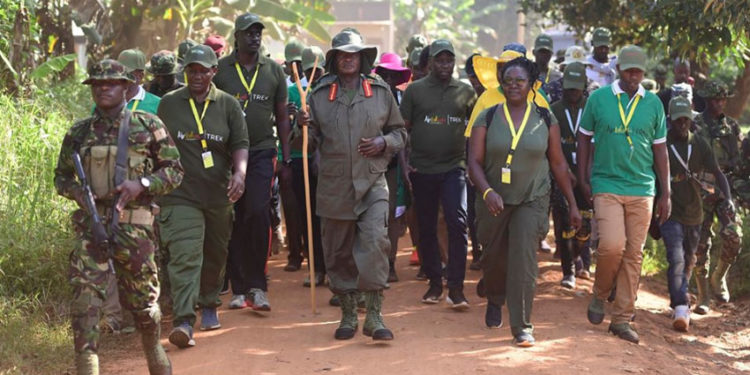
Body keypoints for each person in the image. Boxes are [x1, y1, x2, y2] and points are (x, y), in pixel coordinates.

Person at [54, 59, 183, 374]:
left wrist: (142, 184)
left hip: (135, 229)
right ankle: (87, 366)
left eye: (110, 83)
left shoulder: (148, 125)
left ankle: (153, 351)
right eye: (97, 84)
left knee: (144, 308)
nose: (103, 89)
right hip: (91, 229)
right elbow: (61, 177)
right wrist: (78, 193)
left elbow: (175, 171)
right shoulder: (79, 132)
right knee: (85, 303)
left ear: (126, 86)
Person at [299, 29, 407, 341]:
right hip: (333, 185)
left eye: (354, 54)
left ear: (362, 59)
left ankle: (374, 315)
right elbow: (306, 142)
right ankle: (348, 314)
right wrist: (301, 125)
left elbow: (400, 133)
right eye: (343, 54)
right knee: (338, 252)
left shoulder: (380, 91)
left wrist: (383, 141)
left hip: (372, 181)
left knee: (375, 243)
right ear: (334, 59)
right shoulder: (318, 95)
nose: (349, 59)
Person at [468, 56, 581, 347]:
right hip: (493, 200)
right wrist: (487, 192)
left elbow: (558, 163)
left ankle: (522, 326)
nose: (513, 85)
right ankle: (494, 296)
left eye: (520, 81)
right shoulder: (488, 116)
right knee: (493, 259)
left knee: (523, 260)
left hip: (533, 198)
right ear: (501, 84)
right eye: (508, 81)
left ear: (531, 84)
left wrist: (572, 202)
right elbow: (474, 163)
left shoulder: (545, 118)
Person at [157, 44, 249, 348]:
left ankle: (209, 303)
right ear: (186, 71)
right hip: (180, 194)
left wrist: (240, 173)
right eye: (192, 70)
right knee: (185, 254)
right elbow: (155, 145)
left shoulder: (227, 105)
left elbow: (240, 142)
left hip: (219, 194)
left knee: (215, 252)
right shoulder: (169, 104)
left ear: (214, 72)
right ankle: (183, 320)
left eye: (203, 70)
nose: (197, 75)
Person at [577, 45, 671, 344]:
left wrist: (666, 192)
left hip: (643, 188)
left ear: (643, 73)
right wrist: (582, 178)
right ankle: (600, 293)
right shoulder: (599, 99)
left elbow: (660, 149)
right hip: (607, 183)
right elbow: (583, 138)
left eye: (638, 71)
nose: (633, 76)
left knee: (633, 254)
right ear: (618, 70)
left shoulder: (654, 103)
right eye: (628, 70)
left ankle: (620, 319)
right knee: (612, 246)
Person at [214, 13, 292, 312]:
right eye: (248, 33)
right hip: (225, 153)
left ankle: (258, 286)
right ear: (237, 36)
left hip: (262, 152)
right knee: (232, 216)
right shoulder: (220, 70)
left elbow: (283, 116)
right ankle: (238, 287)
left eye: (258, 32)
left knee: (258, 213)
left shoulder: (273, 70)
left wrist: (285, 157)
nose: (254, 37)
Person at [401, 39, 476, 308]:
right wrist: (405, 164)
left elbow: (476, 130)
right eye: (439, 60)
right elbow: (403, 130)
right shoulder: (415, 91)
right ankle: (434, 283)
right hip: (422, 169)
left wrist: (473, 162)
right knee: (426, 226)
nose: (445, 65)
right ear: (430, 63)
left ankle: (456, 288)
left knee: (457, 222)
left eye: (449, 60)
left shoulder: (466, 92)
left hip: (454, 168)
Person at [661, 96, 731, 332]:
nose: (682, 123)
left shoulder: (700, 144)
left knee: (689, 260)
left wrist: (728, 197)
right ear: (670, 120)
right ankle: (681, 306)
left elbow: (718, 173)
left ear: (691, 121)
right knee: (676, 258)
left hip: (694, 213)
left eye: (686, 119)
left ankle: (678, 296)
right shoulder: (661, 144)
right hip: (669, 212)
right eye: (678, 119)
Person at [692, 79, 745, 313]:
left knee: (734, 235)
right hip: (698, 187)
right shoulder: (694, 124)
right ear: (706, 99)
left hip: (725, 187)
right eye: (716, 99)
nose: (720, 103)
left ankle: (719, 277)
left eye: (723, 99)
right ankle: (703, 296)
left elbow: (740, 162)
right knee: (698, 245)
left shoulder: (731, 127)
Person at [549, 62, 594, 288]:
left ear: (584, 86)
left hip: (586, 177)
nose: (573, 92)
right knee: (565, 224)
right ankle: (568, 272)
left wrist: (587, 175)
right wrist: (565, 170)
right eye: (569, 87)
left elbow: (597, 144)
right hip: (562, 175)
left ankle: (578, 255)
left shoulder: (592, 107)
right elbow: (551, 145)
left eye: (577, 88)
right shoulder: (554, 110)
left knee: (585, 226)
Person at [286, 46, 328, 286]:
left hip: (329, 164)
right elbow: (293, 133)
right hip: (303, 162)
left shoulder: (330, 91)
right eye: (310, 70)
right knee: (308, 216)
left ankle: (334, 268)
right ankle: (316, 268)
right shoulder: (293, 92)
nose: (314, 74)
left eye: (318, 70)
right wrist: (297, 121)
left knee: (329, 217)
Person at [373, 52, 412, 282]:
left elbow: (404, 136)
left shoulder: (402, 99)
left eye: (393, 75)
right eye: (385, 74)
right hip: (370, 164)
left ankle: (390, 264)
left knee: (393, 216)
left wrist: (405, 169)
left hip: (394, 167)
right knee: (374, 216)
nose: (388, 79)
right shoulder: (371, 97)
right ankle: (374, 264)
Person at [280, 38, 308, 273]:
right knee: (291, 207)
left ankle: (311, 253)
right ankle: (294, 254)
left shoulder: (313, 87)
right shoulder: (283, 91)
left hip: (310, 157)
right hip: (290, 157)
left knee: (309, 208)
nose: (296, 68)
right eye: (293, 64)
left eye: (300, 63)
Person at [464, 53, 484, 271]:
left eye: (479, 76)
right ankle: (477, 252)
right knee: (471, 211)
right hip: (469, 162)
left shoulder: (494, 97)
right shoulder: (466, 98)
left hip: (492, 164)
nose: (476, 81)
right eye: (472, 76)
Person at [118, 49, 161, 114]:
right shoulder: (104, 100)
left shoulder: (157, 104)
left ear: (140, 76)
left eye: (128, 74)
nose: (122, 78)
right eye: (119, 73)